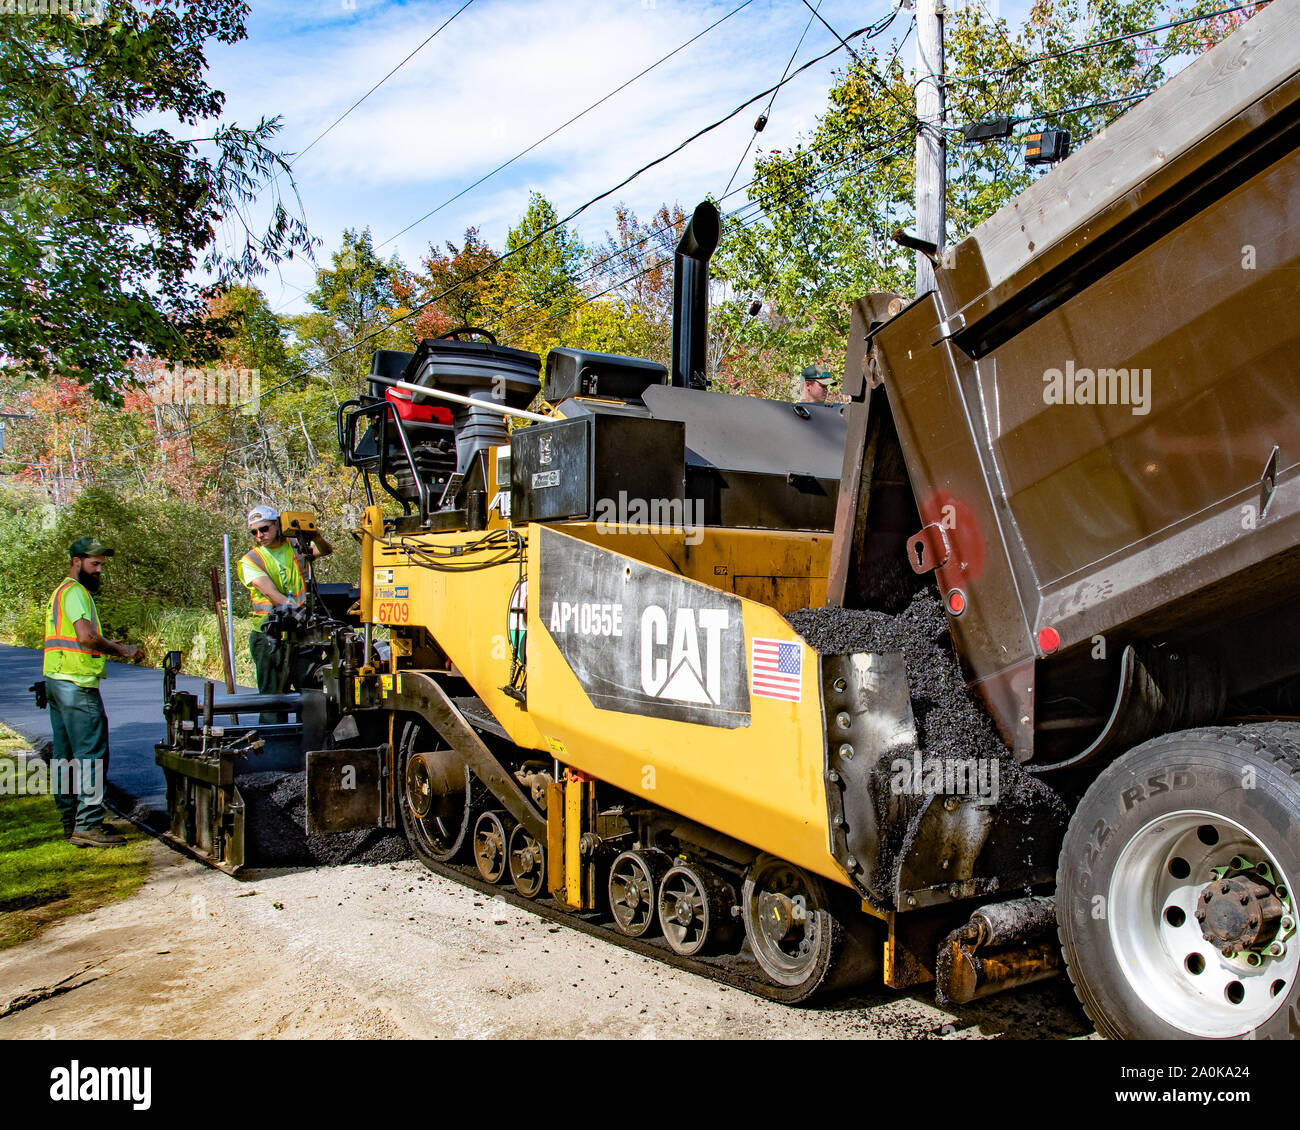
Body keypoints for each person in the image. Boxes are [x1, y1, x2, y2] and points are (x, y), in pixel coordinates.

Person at [43, 536, 144, 847]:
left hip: (57, 681)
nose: (100, 570)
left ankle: (69, 821)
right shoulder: (75, 593)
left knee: (65, 755)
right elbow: (86, 637)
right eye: (95, 564)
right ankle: (88, 824)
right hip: (76, 684)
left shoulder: (59, 592)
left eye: (101, 565)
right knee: (91, 754)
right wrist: (122, 649)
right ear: (77, 562)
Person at [238, 505, 332, 696]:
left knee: (309, 692)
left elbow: (325, 550)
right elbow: (271, 593)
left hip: (301, 632)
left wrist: (316, 536)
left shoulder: (296, 546)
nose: (259, 534)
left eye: (264, 529)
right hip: (270, 634)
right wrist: (295, 610)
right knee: (273, 697)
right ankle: (273, 727)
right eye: (254, 531)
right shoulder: (251, 560)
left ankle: (308, 727)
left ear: (277, 525)